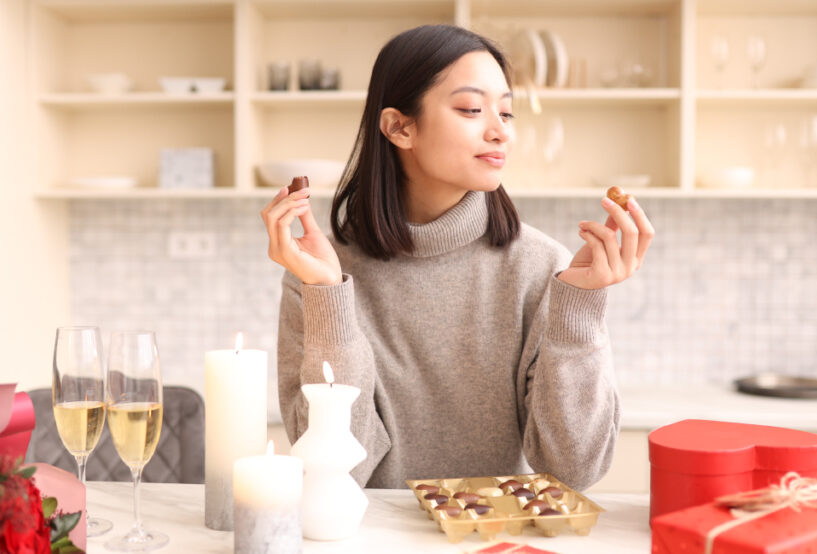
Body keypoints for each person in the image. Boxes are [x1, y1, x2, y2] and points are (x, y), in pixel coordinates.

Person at [261, 24, 654, 490]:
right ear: (399, 127)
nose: (499, 131)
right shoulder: (320, 274)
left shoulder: (541, 266)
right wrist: (329, 301)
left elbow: (575, 470)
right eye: (472, 108)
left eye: (506, 113)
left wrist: (579, 316)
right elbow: (338, 475)